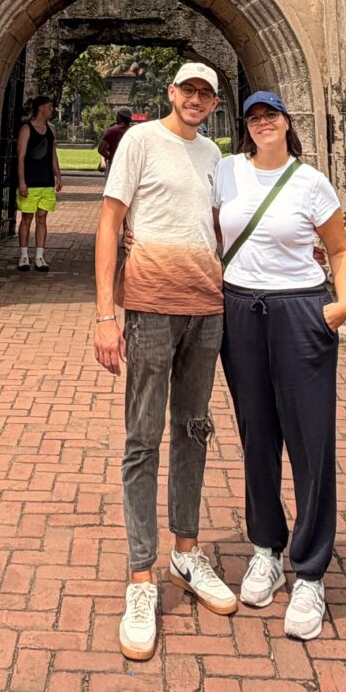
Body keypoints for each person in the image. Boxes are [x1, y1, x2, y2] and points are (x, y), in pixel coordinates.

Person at [94, 62, 240, 661]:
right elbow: (109, 223)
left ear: (211, 101)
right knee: (141, 438)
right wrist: (107, 313)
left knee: (193, 430)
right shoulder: (140, 139)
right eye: (189, 90)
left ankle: (186, 550)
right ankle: (140, 574)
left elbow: (222, 229)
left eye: (207, 93)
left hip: (206, 307)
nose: (197, 100)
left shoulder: (215, 157)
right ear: (172, 93)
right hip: (150, 306)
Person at [214, 91, 346, 642]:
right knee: (257, 434)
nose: (263, 123)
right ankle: (266, 548)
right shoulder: (226, 172)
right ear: (245, 127)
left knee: (310, 438)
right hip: (241, 307)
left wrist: (341, 304)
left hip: (300, 309)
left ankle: (311, 570)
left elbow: (339, 248)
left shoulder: (310, 182)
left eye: (271, 115)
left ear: (287, 124)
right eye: (254, 116)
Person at [13, 98, 60, 272]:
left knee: (42, 218)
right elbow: (21, 157)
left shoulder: (51, 129)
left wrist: (58, 175)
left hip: (46, 181)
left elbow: (52, 153)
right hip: (31, 181)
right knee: (27, 218)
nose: (52, 109)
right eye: (49, 106)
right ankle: (24, 255)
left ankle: (39, 256)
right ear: (41, 108)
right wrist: (22, 181)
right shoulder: (27, 129)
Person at [98, 107, 134, 173]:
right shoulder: (134, 131)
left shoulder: (112, 130)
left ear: (120, 117)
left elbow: (101, 149)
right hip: (130, 166)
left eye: (117, 115)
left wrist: (110, 158)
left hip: (114, 165)